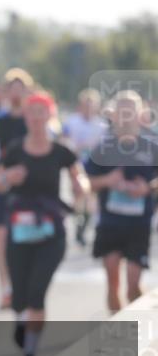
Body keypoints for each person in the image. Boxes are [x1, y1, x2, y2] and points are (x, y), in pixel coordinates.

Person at [0, 91, 87, 356]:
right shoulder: (14, 149)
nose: (36, 118)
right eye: (31, 112)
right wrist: (8, 178)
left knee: (37, 292)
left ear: (50, 115)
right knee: (20, 296)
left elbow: (78, 175)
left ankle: (30, 354)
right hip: (19, 231)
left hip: (51, 232)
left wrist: (81, 186)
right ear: (25, 116)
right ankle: (22, 324)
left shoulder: (61, 150)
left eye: (41, 112)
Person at [85, 91, 157, 313]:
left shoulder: (151, 146)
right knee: (112, 278)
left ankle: (146, 316)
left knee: (133, 286)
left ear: (140, 114)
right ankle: (120, 330)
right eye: (121, 112)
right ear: (114, 115)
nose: (126, 117)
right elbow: (86, 181)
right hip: (110, 222)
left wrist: (147, 188)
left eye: (131, 111)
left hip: (139, 224)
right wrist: (108, 180)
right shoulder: (104, 148)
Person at [0, 68, 34, 309]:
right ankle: (6, 288)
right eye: (11, 88)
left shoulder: (34, 120)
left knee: (24, 242)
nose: (15, 94)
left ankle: (23, 285)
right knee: (0, 239)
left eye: (20, 89)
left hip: (28, 190)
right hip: (2, 187)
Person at [63, 88, 108, 246]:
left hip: (93, 165)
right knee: (78, 195)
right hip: (75, 163)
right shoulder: (72, 121)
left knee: (90, 197)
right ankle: (78, 223)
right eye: (86, 105)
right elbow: (64, 139)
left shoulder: (101, 125)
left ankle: (83, 227)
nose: (89, 108)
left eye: (92, 105)